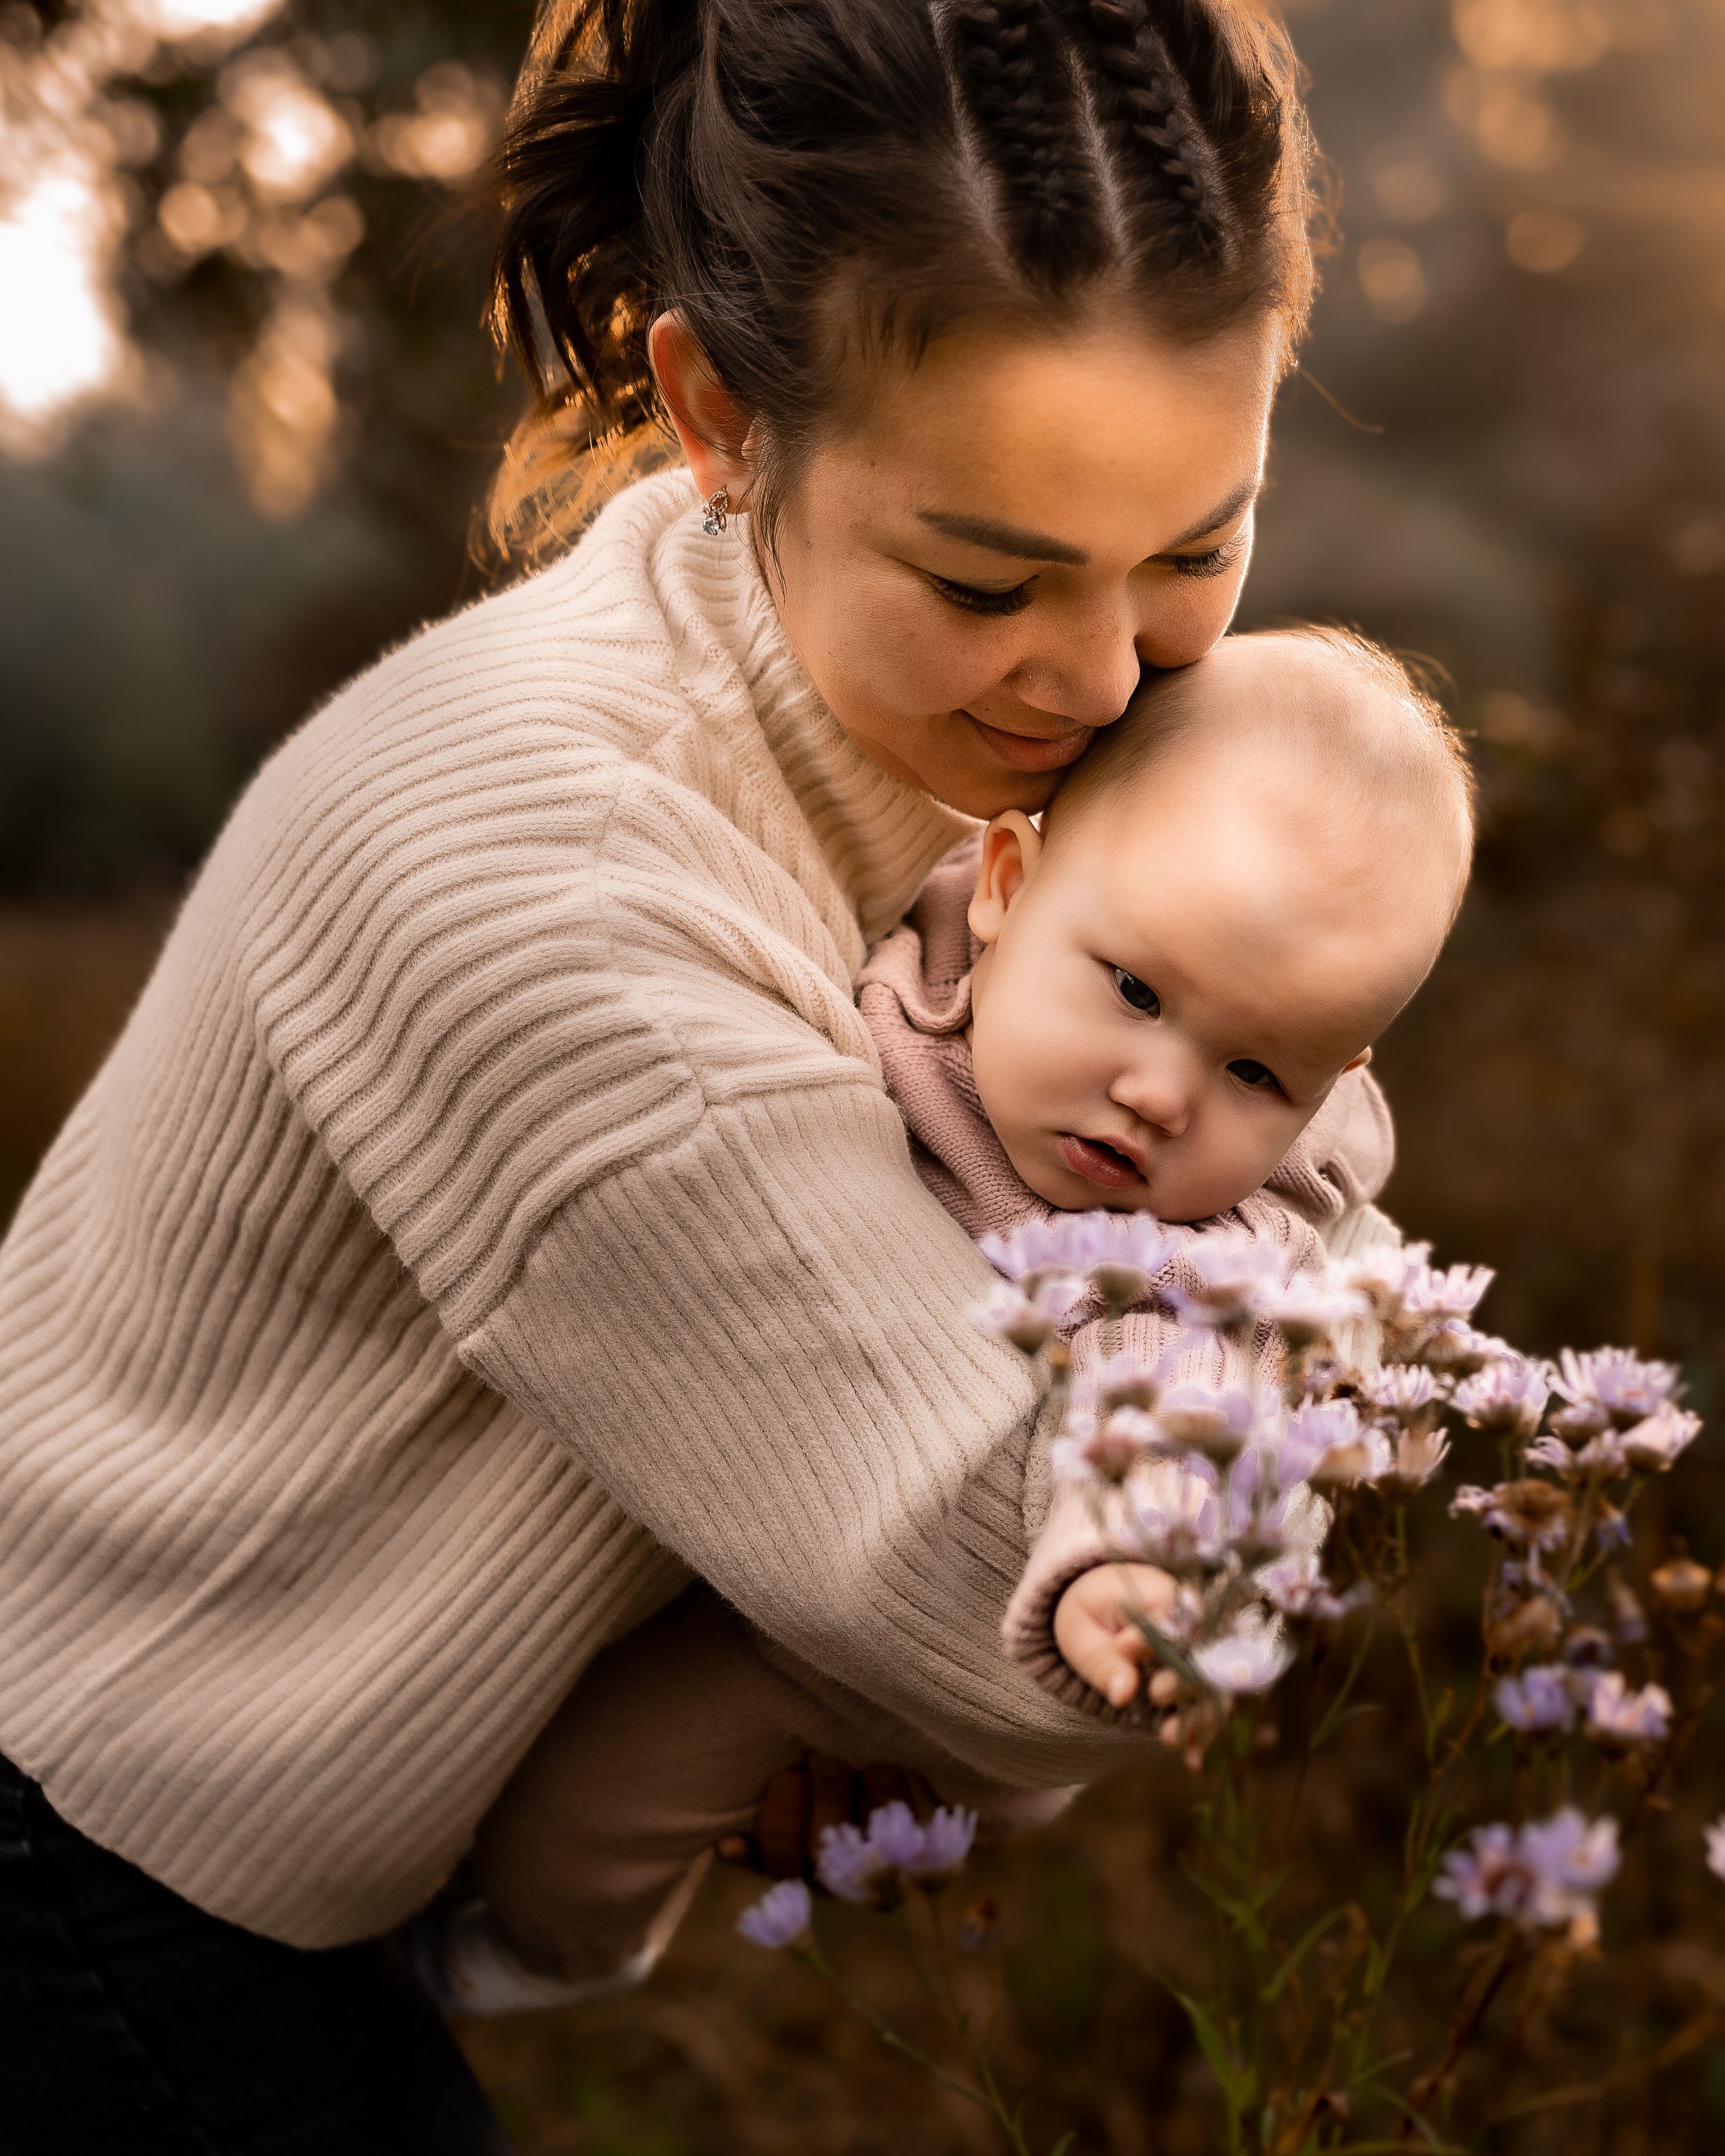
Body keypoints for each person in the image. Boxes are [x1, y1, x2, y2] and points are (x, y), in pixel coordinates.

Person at [0, 0, 1348, 2147]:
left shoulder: (933, 727)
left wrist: (790, 1623)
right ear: (717, 414)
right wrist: (827, 1640)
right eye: (989, 572)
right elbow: (1030, 1601)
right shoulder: (544, 879)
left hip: (290, 1826)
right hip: (90, 1847)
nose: (1105, 676)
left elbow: (1267, 1136)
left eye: (1199, 550)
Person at [421, 624, 1472, 2005]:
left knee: (590, 1803)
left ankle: (522, 1962)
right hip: (763, 1489)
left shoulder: (1184, 1245)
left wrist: (1135, 1568)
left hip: (928, 1653)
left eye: (1259, 1072)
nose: (1163, 1091)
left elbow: (1179, 1386)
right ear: (1005, 882)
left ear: (1332, 1086)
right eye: (1140, 991)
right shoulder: (867, 982)